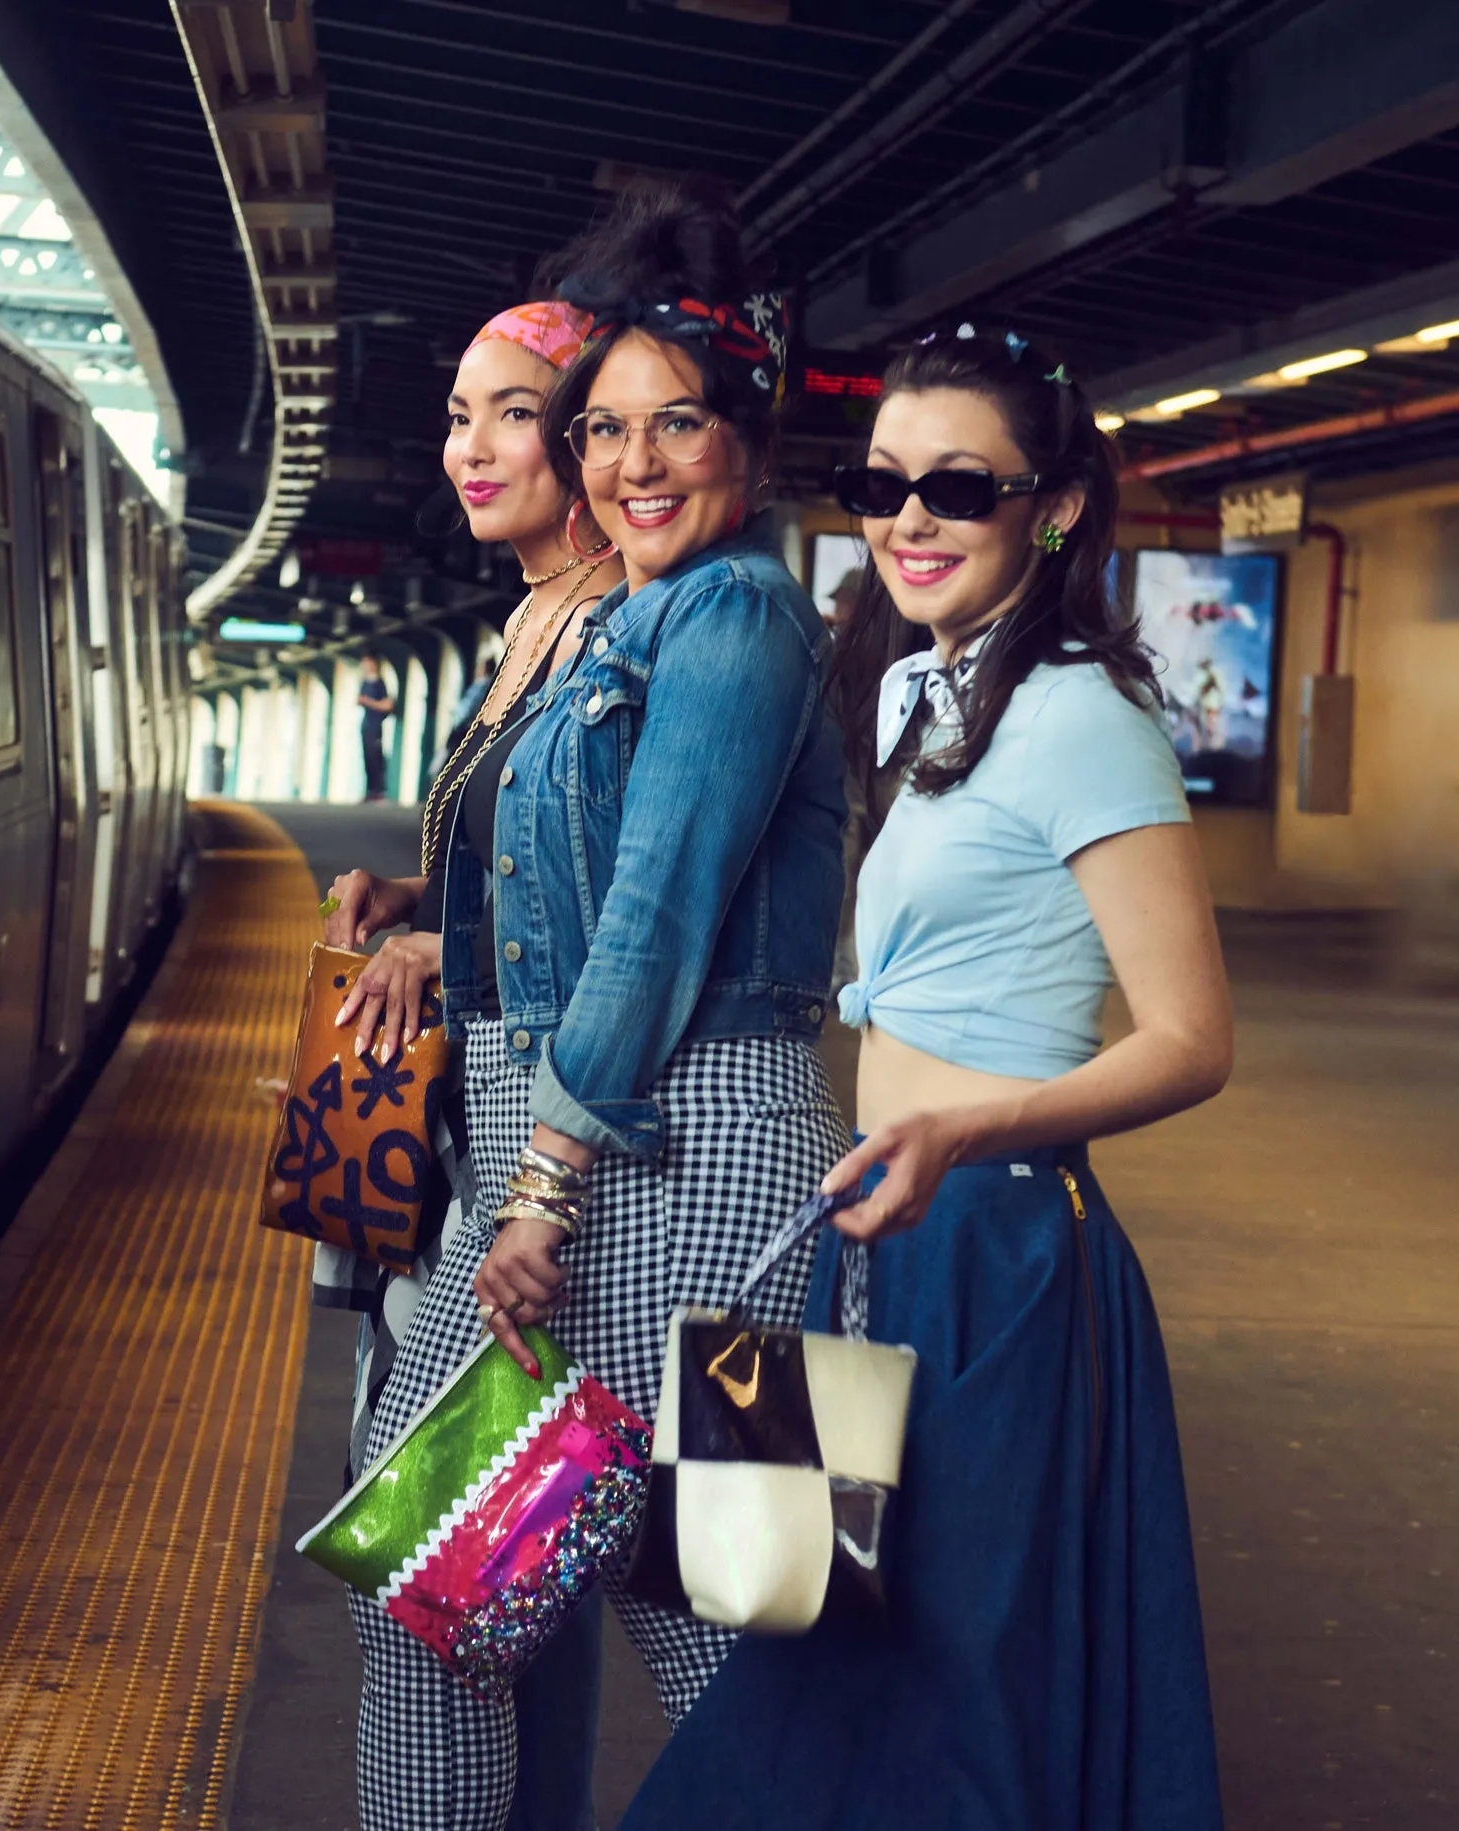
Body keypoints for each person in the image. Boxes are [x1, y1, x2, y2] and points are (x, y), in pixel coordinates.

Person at [621, 325, 1229, 1830]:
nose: (909, 518)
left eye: (958, 486)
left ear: (1057, 505)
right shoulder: (921, 691)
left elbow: (1191, 1038)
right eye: (881, 482)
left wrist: (962, 1127)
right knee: (827, 1663)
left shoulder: (1084, 716)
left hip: (1002, 1251)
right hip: (888, 1231)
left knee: (947, 1688)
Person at [325, 180, 851, 1827]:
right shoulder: (625, 616)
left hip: (702, 1178)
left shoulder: (738, 613)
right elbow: (557, 890)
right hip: (604, 1156)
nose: (629, 463)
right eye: (603, 427)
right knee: (446, 1597)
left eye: (668, 425)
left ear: (742, 442)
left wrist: (539, 1180)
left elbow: (650, 914)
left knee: (744, 1635)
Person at [318, 290, 618, 1831]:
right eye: (458, 413)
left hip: (569, 1185)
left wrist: (464, 949)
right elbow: (531, 871)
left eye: (516, 411)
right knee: (493, 1586)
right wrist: (421, 907)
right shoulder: (526, 626)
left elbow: (627, 911)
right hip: (479, 1165)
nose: (473, 446)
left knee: (460, 1573)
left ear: (587, 442)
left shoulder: (629, 631)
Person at [357, 656, 398, 800]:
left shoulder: (379, 684)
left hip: (375, 726)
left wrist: (368, 702)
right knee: (367, 758)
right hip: (366, 725)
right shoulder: (364, 682)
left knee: (376, 758)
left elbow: (388, 705)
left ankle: (379, 791)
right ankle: (370, 791)